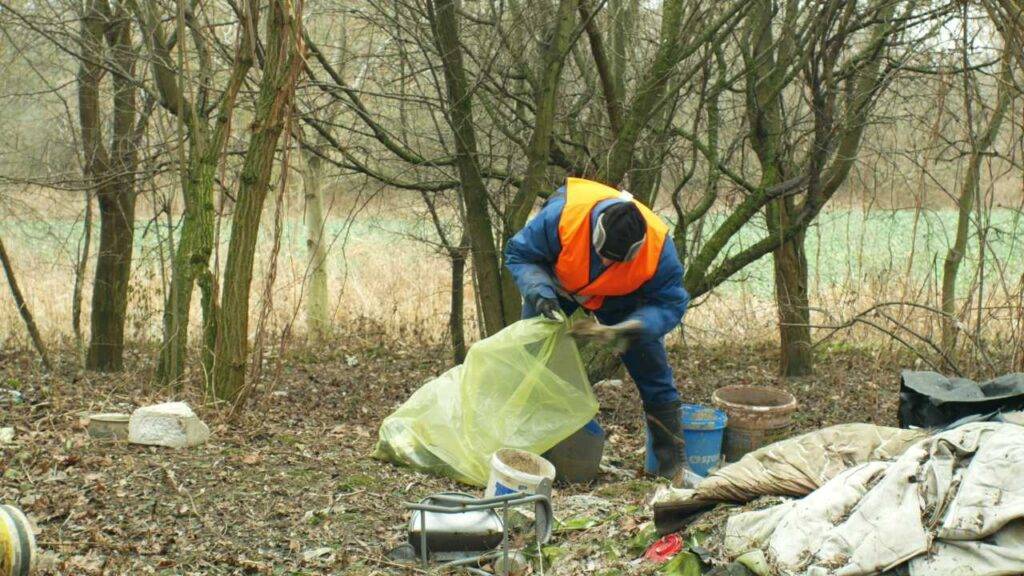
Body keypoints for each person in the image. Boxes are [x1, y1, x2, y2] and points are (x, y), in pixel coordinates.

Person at [505, 177, 692, 479]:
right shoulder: (563, 216)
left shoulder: (659, 249)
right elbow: (520, 254)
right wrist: (539, 292)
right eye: (602, 253)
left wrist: (636, 328)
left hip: (622, 300)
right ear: (596, 230)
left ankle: (672, 466)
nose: (606, 262)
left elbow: (670, 303)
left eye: (617, 261)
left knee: (654, 372)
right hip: (555, 288)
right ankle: (529, 455)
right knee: (534, 363)